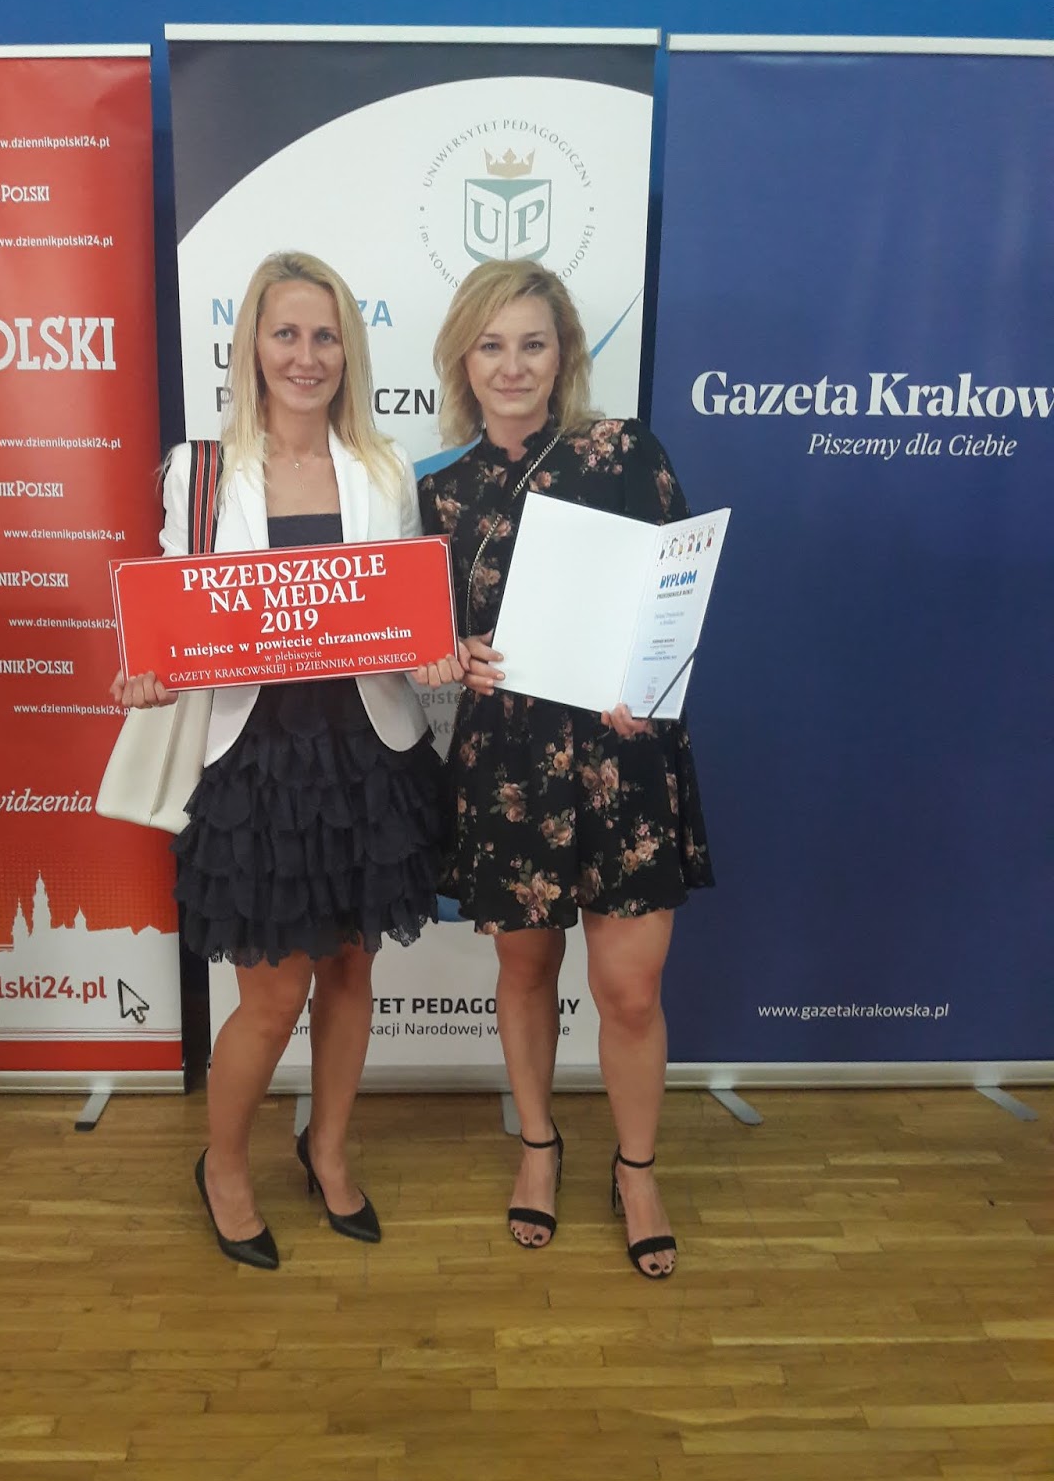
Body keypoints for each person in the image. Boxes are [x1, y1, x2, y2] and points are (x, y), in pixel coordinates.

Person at [112, 252, 462, 1270]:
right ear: (252, 347)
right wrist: (148, 674)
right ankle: (223, 1167)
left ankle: (328, 1149)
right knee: (270, 1000)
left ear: (347, 349)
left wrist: (433, 651)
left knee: (350, 973)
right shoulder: (200, 473)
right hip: (257, 761)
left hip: (369, 752)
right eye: (285, 334)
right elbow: (175, 621)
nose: (306, 356)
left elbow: (403, 620)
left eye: (325, 335)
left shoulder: (385, 469)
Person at [418, 260, 714, 1279]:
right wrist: (449, 653)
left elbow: (678, 596)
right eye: (492, 345)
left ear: (564, 354)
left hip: (624, 757)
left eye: (533, 344)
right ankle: (538, 1145)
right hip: (508, 767)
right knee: (525, 970)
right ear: (464, 358)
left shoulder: (624, 451)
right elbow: (419, 642)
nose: (513, 366)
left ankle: (637, 1170)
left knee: (629, 991)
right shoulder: (438, 492)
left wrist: (650, 680)